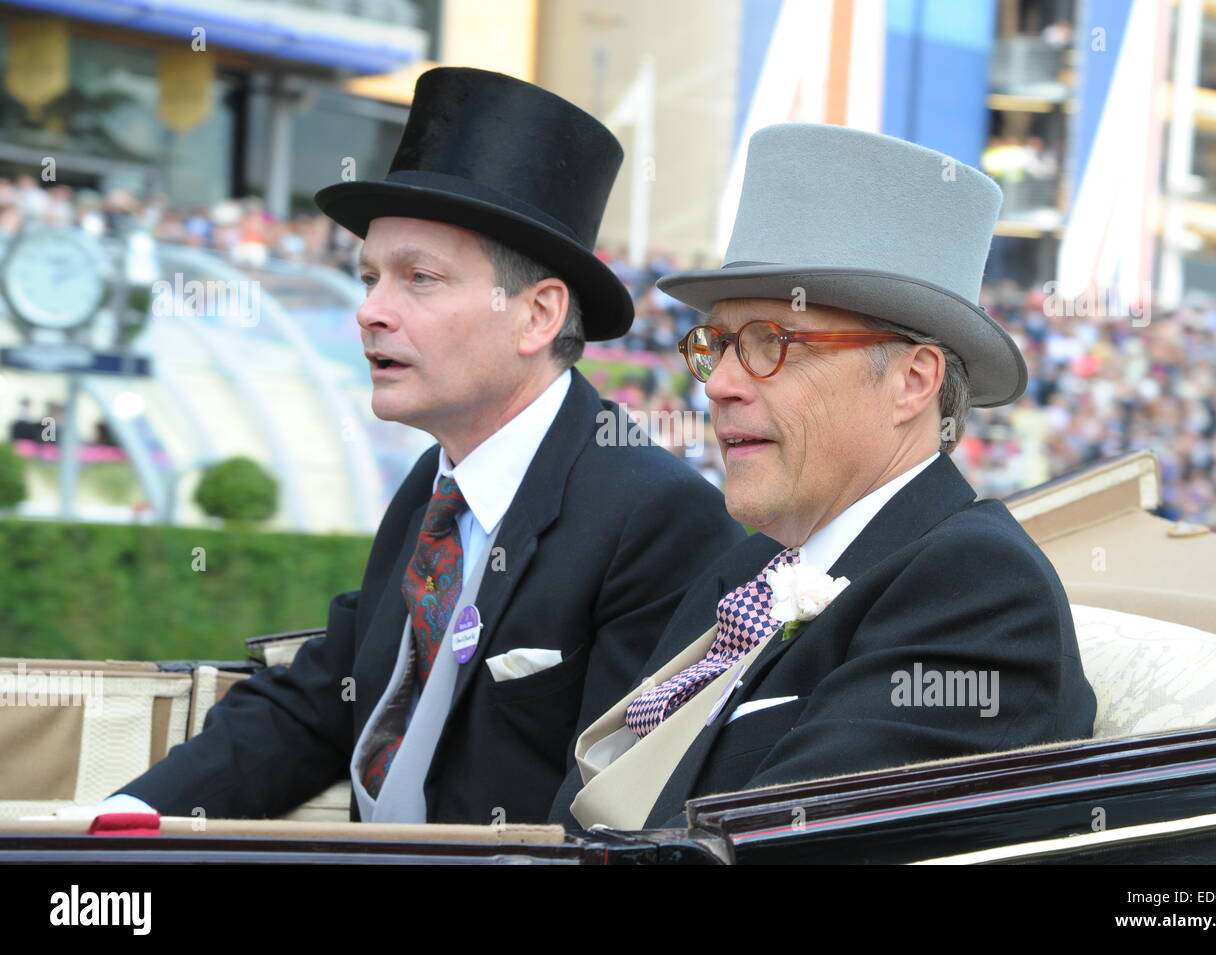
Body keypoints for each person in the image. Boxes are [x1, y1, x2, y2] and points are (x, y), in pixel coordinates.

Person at [101, 67, 745, 825]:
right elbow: (318, 703)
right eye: (369, 275)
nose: (370, 310)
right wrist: (123, 815)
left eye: (420, 278)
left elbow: (613, 819)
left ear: (538, 315)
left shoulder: (656, 516)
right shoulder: (430, 489)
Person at [551, 123, 1096, 831]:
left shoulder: (979, 590)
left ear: (913, 381)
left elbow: (774, 847)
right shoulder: (746, 567)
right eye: (716, 344)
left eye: (769, 344)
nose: (718, 384)